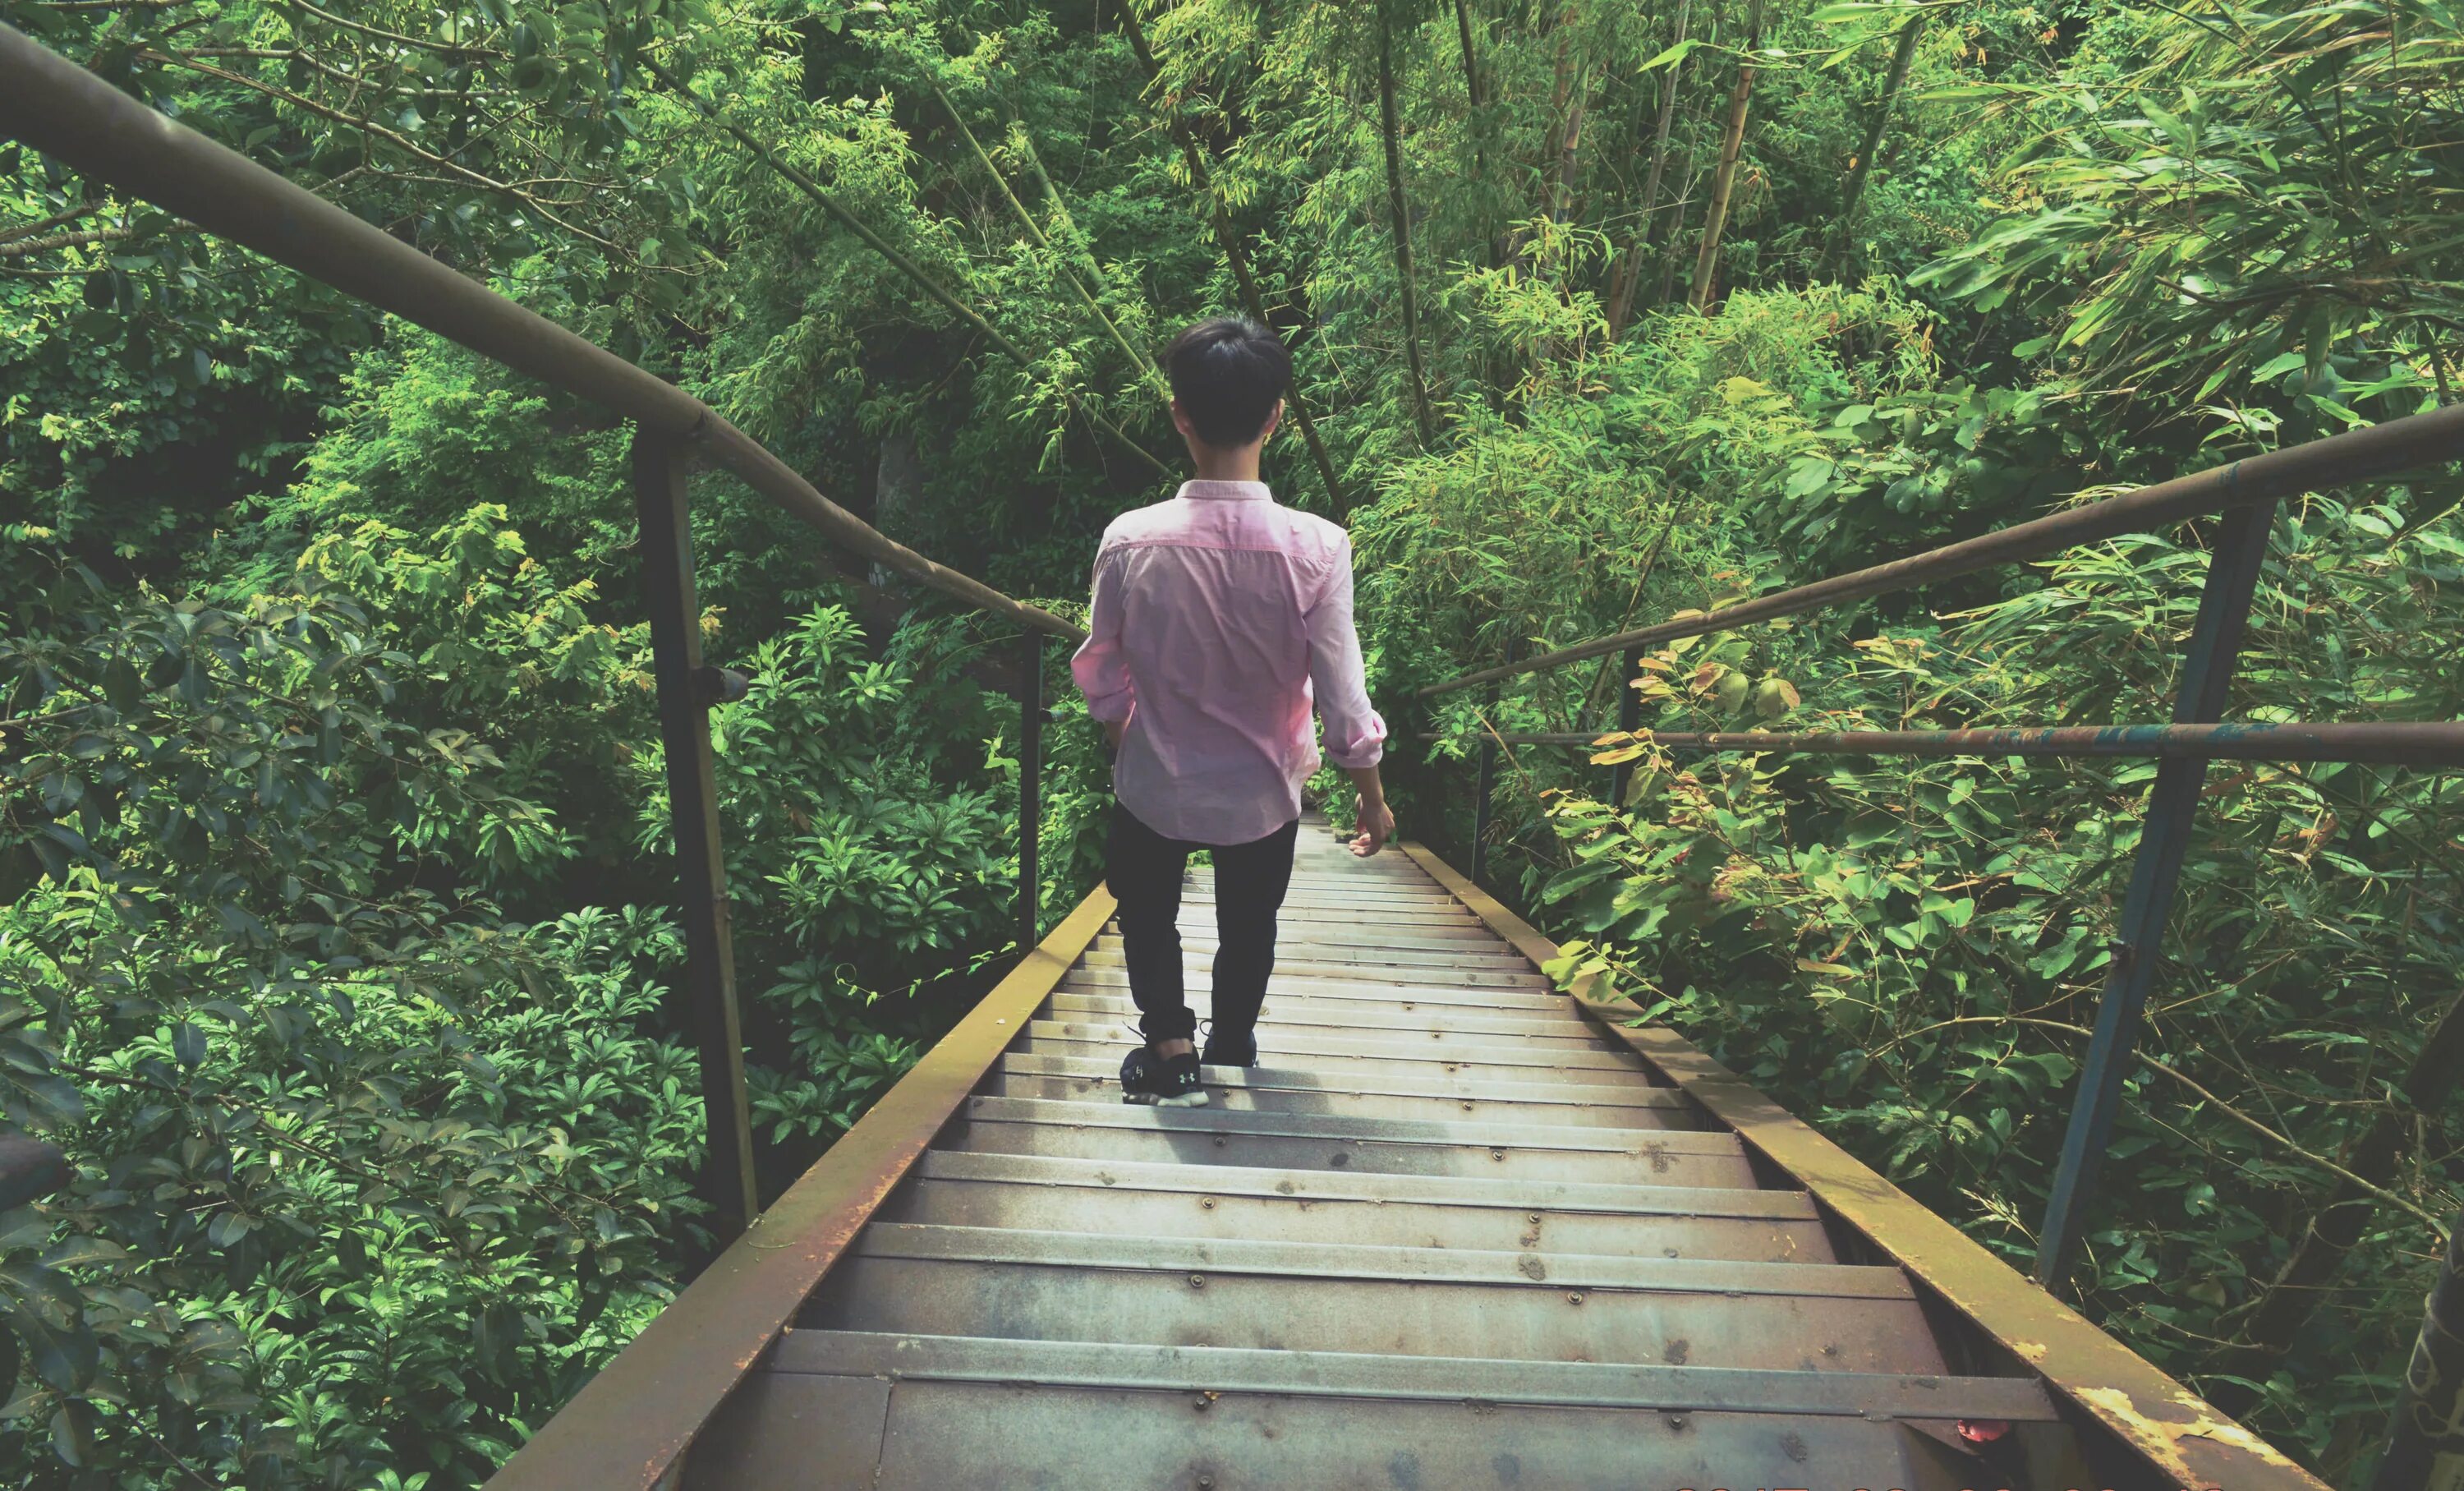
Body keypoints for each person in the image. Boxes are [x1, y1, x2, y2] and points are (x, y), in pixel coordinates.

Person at [1070, 317, 1394, 1108]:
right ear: (1276, 416)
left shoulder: (1129, 540)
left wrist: (1126, 734)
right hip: (1263, 791)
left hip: (1154, 782)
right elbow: (1343, 688)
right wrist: (1371, 794)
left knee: (1147, 914)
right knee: (1250, 923)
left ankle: (1170, 1043)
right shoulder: (1319, 547)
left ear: (1179, 414)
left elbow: (1100, 665)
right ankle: (1232, 1040)